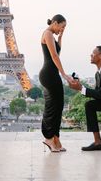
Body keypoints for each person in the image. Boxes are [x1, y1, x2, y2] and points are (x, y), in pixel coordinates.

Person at [39, 14, 73, 152]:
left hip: (51, 74)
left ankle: (56, 140)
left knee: (57, 107)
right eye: (62, 26)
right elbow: (54, 56)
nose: (62, 29)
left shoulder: (51, 35)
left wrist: (60, 37)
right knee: (53, 108)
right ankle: (49, 138)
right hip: (49, 74)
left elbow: (57, 50)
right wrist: (64, 74)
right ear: (55, 23)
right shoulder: (47, 33)